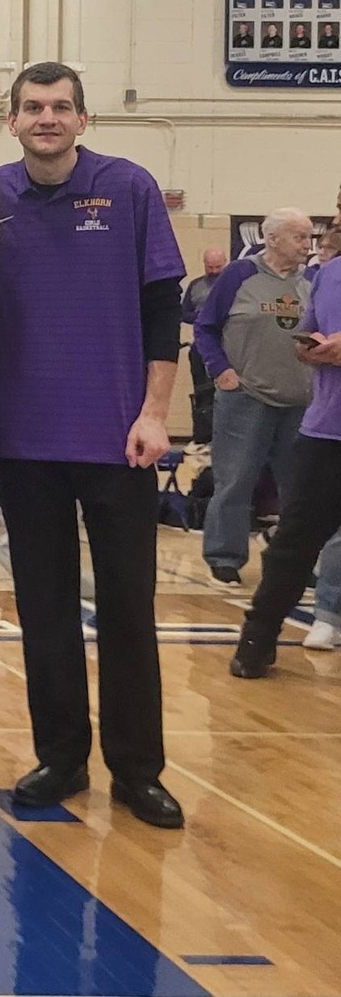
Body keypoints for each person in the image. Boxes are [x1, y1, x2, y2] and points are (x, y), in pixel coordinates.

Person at [0, 62, 186, 829]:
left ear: (83, 120)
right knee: (45, 608)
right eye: (33, 107)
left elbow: (163, 308)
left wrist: (155, 413)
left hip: (119, 439)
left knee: (128, 608)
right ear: (11, 120)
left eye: (61, 107)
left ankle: (137, 771)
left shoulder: (128, 187)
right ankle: (61, 758)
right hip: (22, 437)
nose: (47, 118)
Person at [233, 239, 341, 678]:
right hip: (325, 431)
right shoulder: (329, 274)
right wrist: (308, 350)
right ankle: (258, 637)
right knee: (293, 543)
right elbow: (307, 333)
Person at [194, 209, 313, 585]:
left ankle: (293, 560)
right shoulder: (239, 275)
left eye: (309, 237)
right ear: (272, 238)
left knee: (300, 488)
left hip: (300, 402)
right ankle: (225, 556)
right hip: (246, 397)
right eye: (299, 237)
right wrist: (221, 370)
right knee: (236, 480)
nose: (307, 245)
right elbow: (205, 328)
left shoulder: (311, 281)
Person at [183, 247, 229, 443]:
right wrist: (201, 317)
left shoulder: (235, 285)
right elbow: (183, 313)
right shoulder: (195, 286)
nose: (214, 271)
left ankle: (226, 437)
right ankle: (202, 436)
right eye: (210, 267)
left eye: (218, 266)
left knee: (227, 393)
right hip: (200, 348)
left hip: (228, 347)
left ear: (225, 263)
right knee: (202, 392)